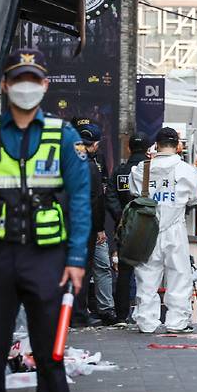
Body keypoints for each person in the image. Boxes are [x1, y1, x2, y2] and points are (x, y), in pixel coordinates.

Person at [0, 49, 90, 392]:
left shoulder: (64, 136)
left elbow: (80, 199)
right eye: (18, 79)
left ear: (45, 85)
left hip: (47, 259)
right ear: (4, 85)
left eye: (32, 80)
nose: (25, 87)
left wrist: (76, 260)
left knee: (50, 359)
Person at [128, 127, 197, 333]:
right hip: (175, 227)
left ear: (157, 144)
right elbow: (196, 197)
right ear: (178, 146)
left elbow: (134, 193)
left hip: (147, 228)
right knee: (179, 275)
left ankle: (146, 320)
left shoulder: (140, 169)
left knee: (146, 275)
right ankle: (176, 321)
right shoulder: (186, 170)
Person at [71, 119, 116, 326]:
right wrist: (99, 228)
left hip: (60, 224)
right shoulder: (91, 168)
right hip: (84, 226)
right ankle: (78, 315)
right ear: (95, 145)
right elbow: (97, 201)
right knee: (83, 269)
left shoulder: (65, 162)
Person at [106, 132, 152, 324]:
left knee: (124, 273)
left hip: (124, 229)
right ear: (149, 149)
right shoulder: (152, 170)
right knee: (149, 271)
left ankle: (121, 316)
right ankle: (146, 314)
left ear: (128, 148)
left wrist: (123, 217)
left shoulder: (119, 172)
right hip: (150, 227)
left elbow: (110, 196)